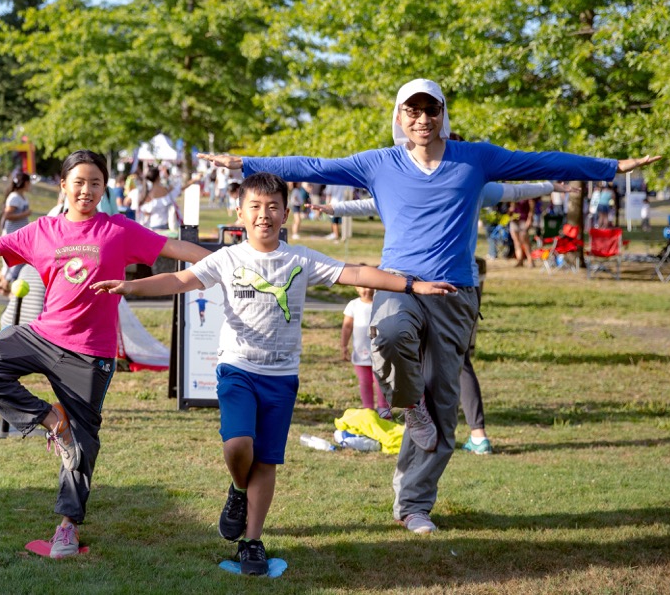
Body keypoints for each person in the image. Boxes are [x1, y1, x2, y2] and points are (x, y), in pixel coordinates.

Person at [199, 77, 660, 535]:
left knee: (443, 406)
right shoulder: (379, 164)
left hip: (456, 293)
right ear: (399, 117)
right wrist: (245, 161)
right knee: (392, 333)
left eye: (431, 110)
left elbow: (538, 162)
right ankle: (407, 400)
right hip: (400, 286)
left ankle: (414, 505)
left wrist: (610, 167)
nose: (422, 119)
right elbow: (314, 166)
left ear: (443, 114)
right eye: (412, 111)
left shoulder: (474, 159)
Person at [90, 172, 453, 574]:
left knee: (266, 460)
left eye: (273, 206)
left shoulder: (299, 258)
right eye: (256, 207)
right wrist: (130, 287)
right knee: (237, 447)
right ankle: (237, 488)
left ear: (284, 212)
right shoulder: (227, 258)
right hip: (237, 369)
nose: (265, 215)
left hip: (282, 377)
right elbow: (179, 279)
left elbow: (356, 273)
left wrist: (411, 286)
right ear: (240, 213)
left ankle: (252, 541)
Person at [0, 150, 210, 558]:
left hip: (90, 354)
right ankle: (52, 420)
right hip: (42, 336)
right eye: (78, 181)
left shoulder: (118, 230)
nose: (86, 190)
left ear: (104, 188)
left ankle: (66, 529)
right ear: (63, 186)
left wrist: (230, 262)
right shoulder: (43, 230)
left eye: (95, 182)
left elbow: (174, 247)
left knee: (82, 446)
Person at [318, 179, 578, 454]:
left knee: (454, 360)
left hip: (457, 287)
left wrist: (549, 187)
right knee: (417, 349)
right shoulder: (421, 182)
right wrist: (335, 207)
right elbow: (379, 201)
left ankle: (467, 431)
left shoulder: (472, 185)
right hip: (420, 284)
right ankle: (428, 417)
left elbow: (515, 189)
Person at [342, 281, 391, 419]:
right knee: (364, 382)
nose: (367, 289)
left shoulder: (381, 304)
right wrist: (343, 345)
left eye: (370, 286)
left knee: (380, 381)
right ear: (356, 288)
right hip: (360, 353)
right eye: (363, 286)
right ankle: (368, 408)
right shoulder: (353, 305)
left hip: (380, 353)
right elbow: (347, 327)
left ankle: (383, 407)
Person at [0, 172, 32, 295]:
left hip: (20, 235)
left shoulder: (22, 197)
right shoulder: (14, 197)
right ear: (25, 183)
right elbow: (7, 215)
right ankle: (4, 286)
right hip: (12, 235)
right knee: (12, 262)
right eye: (29, 182)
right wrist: (25, 214)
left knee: (12, 261)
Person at [507, 197, 535, 267]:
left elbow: (531, 209)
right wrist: (510, 210)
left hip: (524, 220)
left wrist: (530, 219)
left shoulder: (527, 195)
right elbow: (509, 211)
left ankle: (530, 260)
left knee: (525, 241)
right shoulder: (513, 196)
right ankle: (520, 260)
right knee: (516, 242)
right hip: (514, 220)